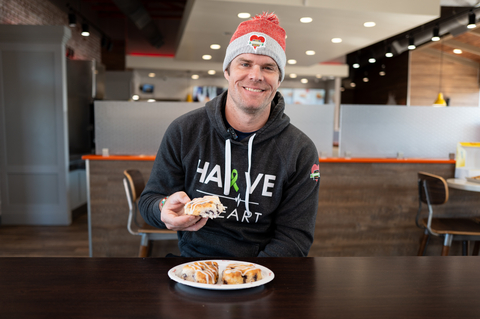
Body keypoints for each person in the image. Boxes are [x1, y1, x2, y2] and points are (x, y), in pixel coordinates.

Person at [139, 12, 320, 257]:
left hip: (263, 275)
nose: (255, 75)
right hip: (195, 267)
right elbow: (150, 200)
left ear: (279, 79)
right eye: (244, 63)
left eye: (268, 67)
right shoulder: (185, 130)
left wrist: (246, 277)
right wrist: (163, 209)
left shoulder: (299, 150)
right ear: (227, 71)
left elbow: (294, 238)